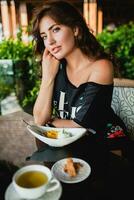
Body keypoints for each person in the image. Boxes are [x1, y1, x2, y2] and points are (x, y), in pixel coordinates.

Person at [32, 0, 127, 141]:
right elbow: (39, 119)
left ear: (75, 29)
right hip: (68, 140)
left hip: (105, 141)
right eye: (44, 36)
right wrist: (48, 77)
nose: (50, 41)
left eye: (55, 29)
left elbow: (80, 126)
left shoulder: (101, 67)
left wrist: (50, 122)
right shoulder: (55, 67)